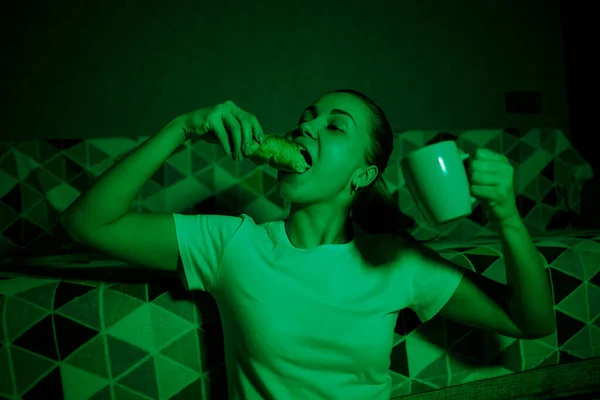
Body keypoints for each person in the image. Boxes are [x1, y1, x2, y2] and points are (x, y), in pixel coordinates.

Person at [57, 90, 518, 399]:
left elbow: (529, 319)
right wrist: (184, 128)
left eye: (335, 127)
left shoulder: (397, 261)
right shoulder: (231, 243)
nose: (306, 128)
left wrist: (507, 217)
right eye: (305, 120)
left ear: (363, 174)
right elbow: (88, 224)